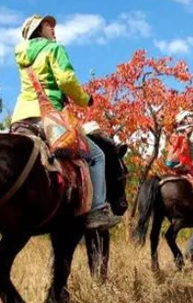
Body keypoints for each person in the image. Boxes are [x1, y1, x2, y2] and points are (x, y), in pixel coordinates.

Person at [9, 13, 121, 230]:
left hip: (21, 119)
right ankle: (97, 210)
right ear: (38, 30)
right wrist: (84, 99)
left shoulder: (22, 58)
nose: (53, 28)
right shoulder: (54, 48)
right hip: (48, 116)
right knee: (97, 156)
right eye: (47, 25)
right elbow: (66, 79)